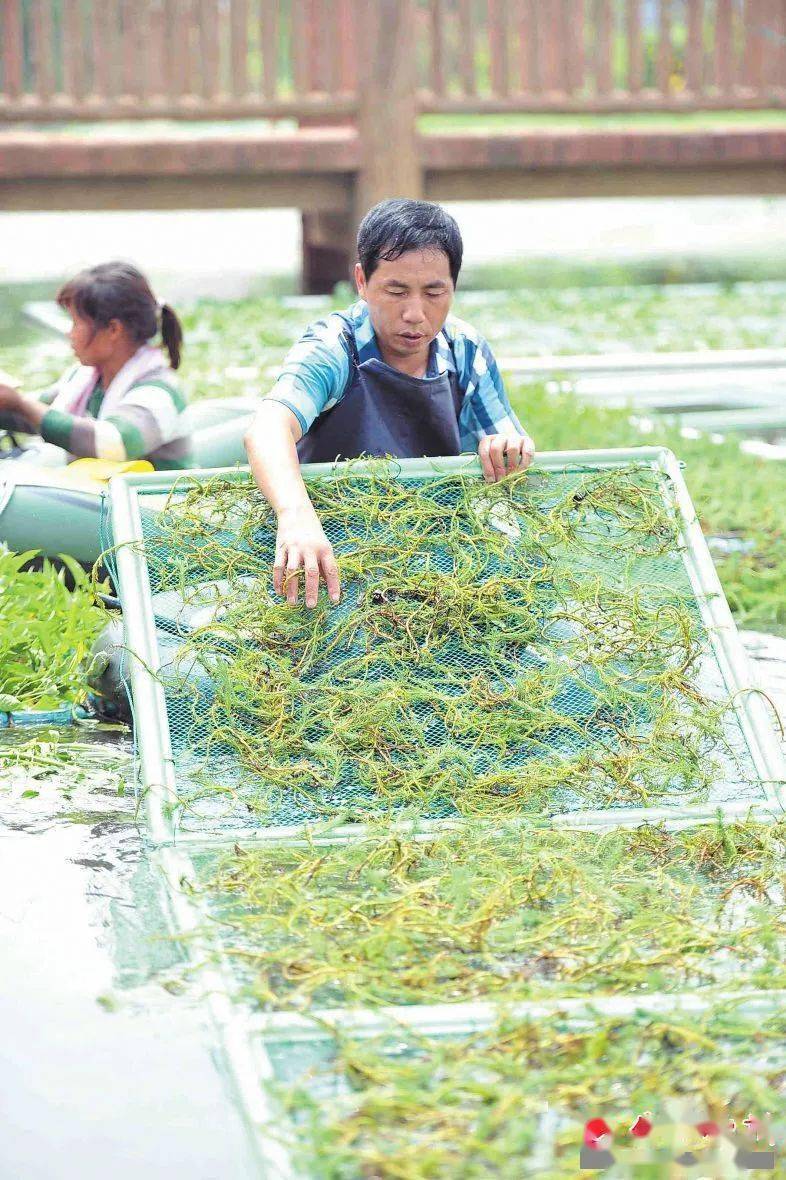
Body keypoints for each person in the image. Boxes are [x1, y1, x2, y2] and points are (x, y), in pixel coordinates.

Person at [245, 197, 535, 608]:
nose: (415, 314)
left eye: (435, 292)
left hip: (436, 563)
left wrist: (507, 450)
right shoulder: (334, 347)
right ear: (362, 282)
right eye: (396, 291)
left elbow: (510, 460)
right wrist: (296, 517)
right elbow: (267, 427)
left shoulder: (466, 349)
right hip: (332, 554)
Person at [0, 261, 191, 471]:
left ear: (113, 330)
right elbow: (39, 413)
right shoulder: (86, 378)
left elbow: (115, 444)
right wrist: (12, 403)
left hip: (154, 502)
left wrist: (20, 403)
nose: (69, 333)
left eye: (76, 323)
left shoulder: (159, 390)